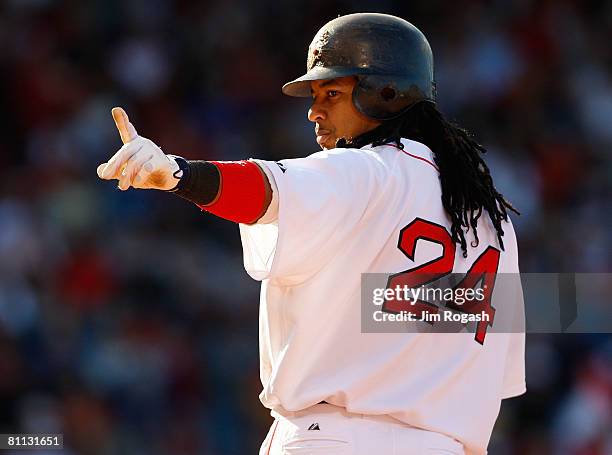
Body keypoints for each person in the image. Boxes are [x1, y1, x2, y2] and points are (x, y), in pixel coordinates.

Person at [97, 13, 525, 455]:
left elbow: (265, 191)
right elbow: (498, 377)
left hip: (336, 439)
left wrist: (181, 174)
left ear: (386, 93)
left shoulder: (363, 170)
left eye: (332, 93)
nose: (313, 110)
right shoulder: (493, 221)